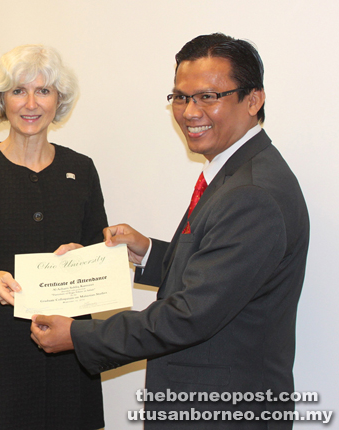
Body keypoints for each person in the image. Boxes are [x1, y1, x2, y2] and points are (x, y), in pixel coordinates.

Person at [31, 33, 309, 429]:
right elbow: (218, 273)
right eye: (180, 97)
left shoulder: (252, 193)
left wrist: (79, 335)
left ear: (253, 99)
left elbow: (189, 315)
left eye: (208, 97)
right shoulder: (235, 172)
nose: (190, 111)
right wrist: (146, 253)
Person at [0, 44, 106, 430]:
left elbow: (101, 260)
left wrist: (85, 259)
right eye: (18, 91)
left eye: (43, 91)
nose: (31, 103)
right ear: (2, 100)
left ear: (58, 100)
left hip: (63, 351)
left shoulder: (82, 170)